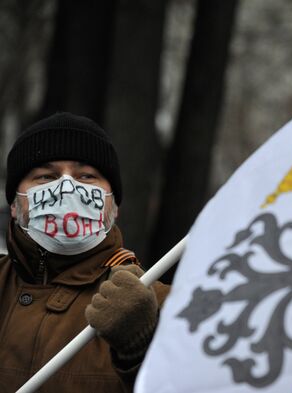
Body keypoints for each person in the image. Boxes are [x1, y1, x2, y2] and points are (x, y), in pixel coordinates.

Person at [0, 112, 170, 392]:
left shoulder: (160, 304)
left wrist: (141, 347)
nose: (67, 189)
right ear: (16, 206)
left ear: (113, 207)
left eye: (86, 176)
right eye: (46, 176)